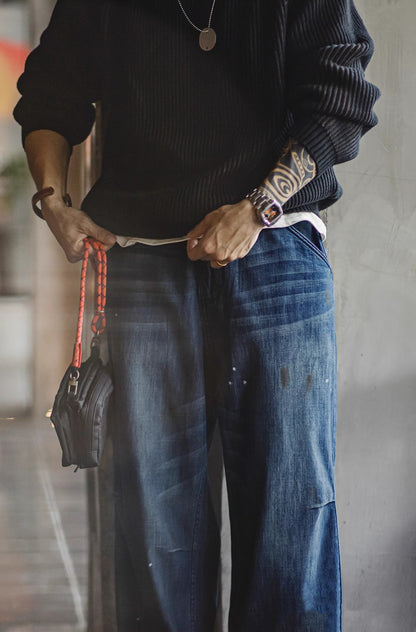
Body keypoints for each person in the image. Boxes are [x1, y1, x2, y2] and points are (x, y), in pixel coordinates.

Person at [14, 1, 379, 629]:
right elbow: (49, 98)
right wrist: (52, 202)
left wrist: (258, 206)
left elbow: (341, 97)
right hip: (140, 264)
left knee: (290, 519)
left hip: (276, 253)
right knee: (153, 531)